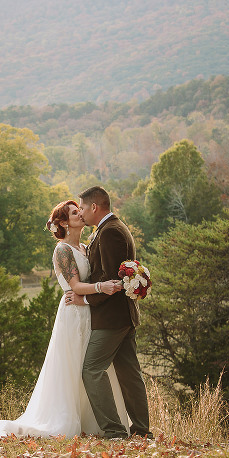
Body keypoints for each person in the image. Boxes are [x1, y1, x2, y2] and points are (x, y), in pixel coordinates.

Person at [0, 200, 127, 438]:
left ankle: (97, 421)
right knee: (73, 366)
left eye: (80, 211)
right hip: (73, 314)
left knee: (90, 365)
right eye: (74, 213)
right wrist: (102, 287)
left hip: (88, 311)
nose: (80, 214)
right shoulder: (63, 250)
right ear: (64, 223)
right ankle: (67, 419)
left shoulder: (84, 248)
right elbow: (76, 285)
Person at [65, 186, 152, 439]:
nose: (81, 212)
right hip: (120, 316)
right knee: (129, 373)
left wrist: (86, 300)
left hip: (112, 317)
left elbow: (112, 280)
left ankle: (115, 430)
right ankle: (141, 430)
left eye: (82, 207)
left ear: (94, 207)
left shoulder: (111, 231)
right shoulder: (105, 230)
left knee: (91, 370)